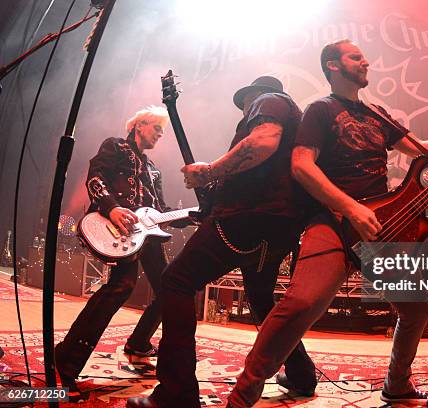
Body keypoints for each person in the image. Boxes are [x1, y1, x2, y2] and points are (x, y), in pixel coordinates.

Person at [227, 39, 428, 407]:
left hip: (380, 226)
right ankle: (242, 396)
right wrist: (350, 208)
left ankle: (397, 385)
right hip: (334, 219)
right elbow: (301, 165)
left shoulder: (378, 114)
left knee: (417, 307)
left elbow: (420, 147)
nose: (365, 61)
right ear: (334, 66)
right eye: (356, 57)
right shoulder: (320, 110)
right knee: (303, 301)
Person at [126, 76, 316, 408]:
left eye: (245, 104)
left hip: (246, 221)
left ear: (253, 98)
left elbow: (262, 144)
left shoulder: (268, 100)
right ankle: (301, 375)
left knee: (176, 282)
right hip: (276, 228)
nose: (244, 112)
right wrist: (210, 204)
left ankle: (176, 395)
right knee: (260, 298)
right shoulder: (292, 118)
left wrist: (209, 171)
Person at [55, 105, 178, 400]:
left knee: (171, 290)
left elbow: (160, 211)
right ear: (140, 125)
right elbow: (95, 179)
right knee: (122, 286)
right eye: (157, 129)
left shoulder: (153, 170)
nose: (161, 135)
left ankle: (139, 343)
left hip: (146, 234)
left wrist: (194, 214)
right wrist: (112, 208)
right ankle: (66, 358)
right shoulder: (115, 146)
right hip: (118, 227)